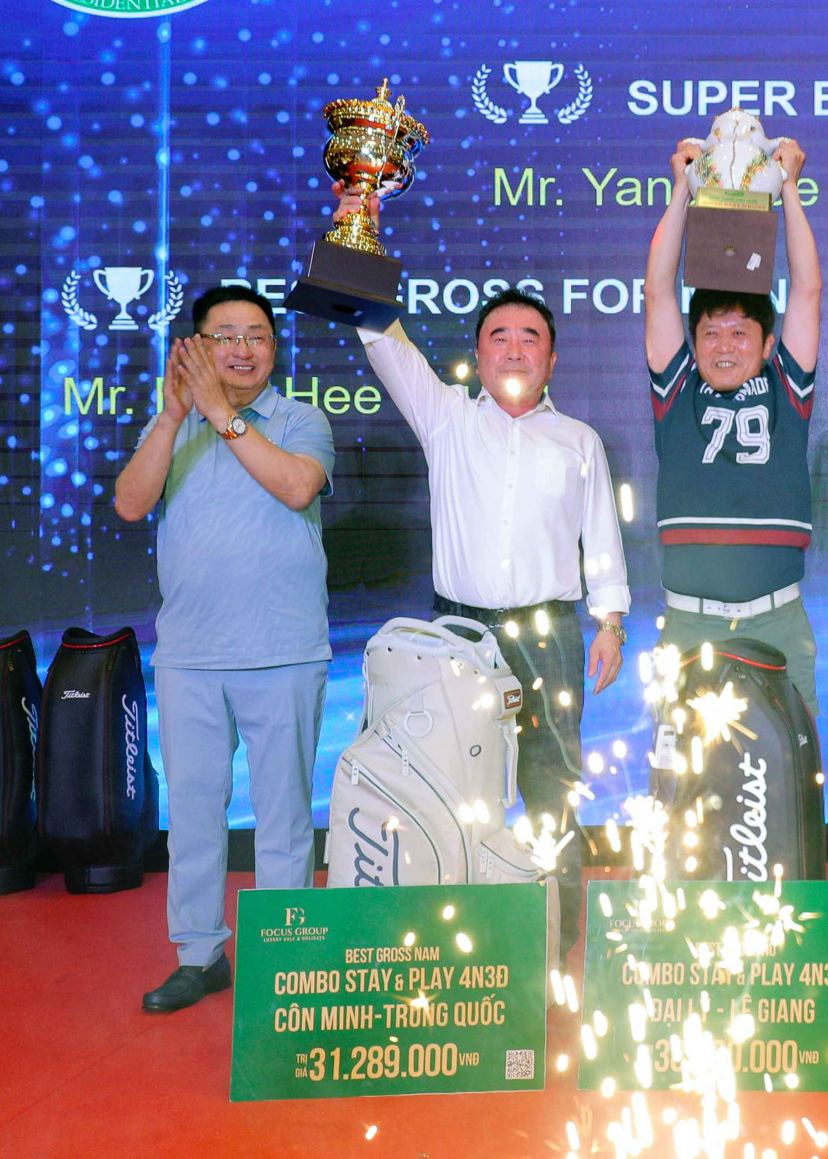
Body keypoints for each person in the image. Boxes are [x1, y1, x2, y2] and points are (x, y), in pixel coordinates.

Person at [335, 186, 631, 958]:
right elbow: (382, 339)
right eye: (499, 335)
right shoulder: (446, 419)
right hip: (459, 635)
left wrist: (611, 622)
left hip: (550, 635)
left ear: (551, 357)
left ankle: (556, 939)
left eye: (530, 336)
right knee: (454, 784)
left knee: (551, 787)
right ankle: (465, 935)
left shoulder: (579, 441)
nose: (514, 347)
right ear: (479, 351)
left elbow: (600, 537)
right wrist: (358, 230)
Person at [113, 285, 336, 1013]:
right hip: (190, 658)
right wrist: (174, 415)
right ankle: (199, 955)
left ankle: (284, 962)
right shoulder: (173, 424)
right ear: (197, 348)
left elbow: (297, 487)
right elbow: (130, 503)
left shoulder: (301, 419)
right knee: (195, 818)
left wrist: (221, 415)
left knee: (285, 820)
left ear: (274, 348)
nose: (242, 348)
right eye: (225, 335)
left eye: (257, 335)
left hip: (285, 651)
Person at [642, 136, 821, 712]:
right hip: (688, 625)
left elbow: (808, 290)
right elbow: (657, 291)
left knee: (793, 762)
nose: (724, 345)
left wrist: (789, 188)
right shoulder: (678, 391)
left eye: (740, 332)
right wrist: (680, 190)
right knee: (680, 767)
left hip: (778, 619)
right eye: (711, 333)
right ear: (693, 344)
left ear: (767, 344)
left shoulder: (786, 389)